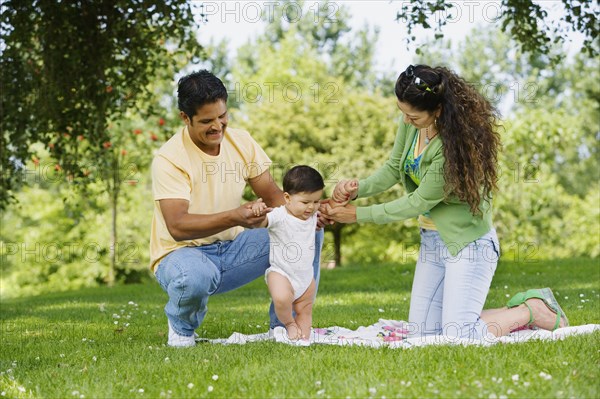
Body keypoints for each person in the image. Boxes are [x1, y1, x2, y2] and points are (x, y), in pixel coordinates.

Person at [321, 64, 569, 340]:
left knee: (459, 336)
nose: (405, 121)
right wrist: (358, 189)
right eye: (402, 113)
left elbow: (417, 202)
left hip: (468, 245)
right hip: (432, 241)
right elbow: (394, 167)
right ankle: (480, 316)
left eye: (412, 117)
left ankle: (531, 309)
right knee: (424, 336)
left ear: (437, 110)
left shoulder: (451, 151)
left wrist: (356, 215)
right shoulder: (413, 126)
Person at [150, 70, 324, 347]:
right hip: (182, 257)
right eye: (207, 121)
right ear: (185, 118)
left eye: (223, 116)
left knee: (307, 227)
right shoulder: (170, 159)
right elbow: (178, 226)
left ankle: (285, 324)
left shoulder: (240, 141)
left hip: (233, 252)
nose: (218, 126)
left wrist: (310, 212)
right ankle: (182, 329)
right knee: (195, 276)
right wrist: (235, 216)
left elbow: (273, 195)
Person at [251, 165, 325, 345]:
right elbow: (262, 222)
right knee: (282, 298)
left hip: (306, 277)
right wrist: (258, 211)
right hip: (281, 272)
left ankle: (302, 339)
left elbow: (331, 209)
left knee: (305, 310)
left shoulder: (313, 216)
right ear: (287, 198)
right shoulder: (280, 215)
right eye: (306, 202)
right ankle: (289, 323)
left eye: (316, 202)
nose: (311, 207)